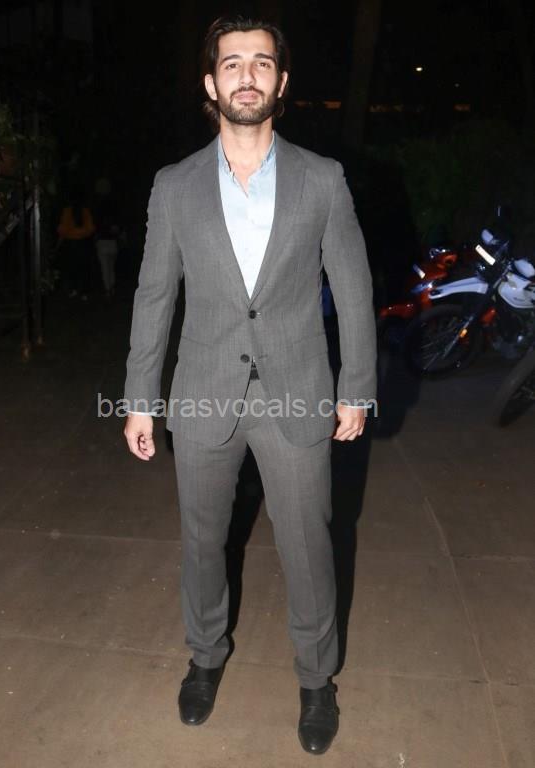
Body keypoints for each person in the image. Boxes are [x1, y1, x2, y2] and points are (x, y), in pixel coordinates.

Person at [123, 15, 376, 756]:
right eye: (231, 63)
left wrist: (356, 386)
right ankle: (205, 657)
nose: (246, 75)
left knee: (308, 547)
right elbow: (153, 296)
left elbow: (353, 289)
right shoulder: (174, 187)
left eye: (261, 63)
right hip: (204, 391)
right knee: (203, 542)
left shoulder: (322, 179)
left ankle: (317, 679)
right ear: (211, 83)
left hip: (299, 391)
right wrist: (139, 399)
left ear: (281, 81)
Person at [56, 193, 96, 300]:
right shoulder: (85, 211)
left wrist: (61, 240)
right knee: (83, 267)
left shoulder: (67, 211)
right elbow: (90, 228)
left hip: (70, 244)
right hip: (83, 243)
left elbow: (62, 229)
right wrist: (82, 233)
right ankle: (83, 291)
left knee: (71, 267)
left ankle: (73, 289)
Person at [95, 211, 120, 299]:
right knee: (111, 268)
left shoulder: (99, 221)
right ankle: (111, 287)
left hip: (103, 244)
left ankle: (108, 289)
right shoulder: (113, 220)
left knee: (105, 268)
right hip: (112, 244)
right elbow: (117, 232)